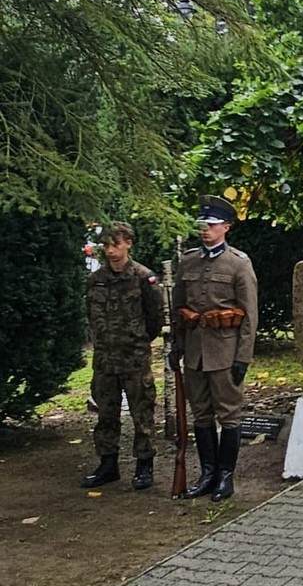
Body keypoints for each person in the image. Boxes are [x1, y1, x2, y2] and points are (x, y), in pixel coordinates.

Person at [171, 195, 258, 501]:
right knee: (202, 415)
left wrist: (243, 357)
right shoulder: (188, 261)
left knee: (229, 415)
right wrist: (177, 347)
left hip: (224, 353)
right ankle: (207, 473)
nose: (205, 229)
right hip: (195, 352)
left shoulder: (238, 264)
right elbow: (178, 308)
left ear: (226, 227)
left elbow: (249, 315)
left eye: (212, 224)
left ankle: (225, 476)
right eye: (203, 224)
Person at [82, 222, 164, 490]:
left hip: (134, 359)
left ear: (128, 242)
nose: (111, 251)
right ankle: (108, 465)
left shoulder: (143, 278)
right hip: (105, 361)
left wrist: (135, 341)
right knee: (106, 414)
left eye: (115, 244)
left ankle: (144, 465)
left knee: (142, 414)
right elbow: (91, 317)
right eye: (106, 245)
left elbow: (154, 320)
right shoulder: (96, 280)